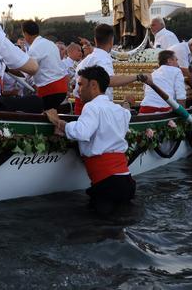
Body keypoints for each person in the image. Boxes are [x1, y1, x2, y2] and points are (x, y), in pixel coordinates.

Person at [45, 66, 137, 216]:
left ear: (93, 85)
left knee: (99, 230)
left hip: (107, 184)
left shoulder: (92, 107)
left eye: (80, 85)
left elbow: (81, 132)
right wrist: (127, 102)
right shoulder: (119, 111)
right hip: (125, 181)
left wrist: (57, 121)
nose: (77, 90)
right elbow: (127, 113)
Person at [71, 24, 140, 115]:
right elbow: (108, 80)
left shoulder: (87, 60)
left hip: (84, 107)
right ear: (112, 41)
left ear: (95, 40)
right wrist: (137, 76)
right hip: (94, 109)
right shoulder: (103, 58)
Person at [21, 20, 69, 110]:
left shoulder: (34, 49)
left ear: (26, 34)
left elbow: (27, 72)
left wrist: (10, 69)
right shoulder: (50, 43)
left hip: (50, 90)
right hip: (62, 88)